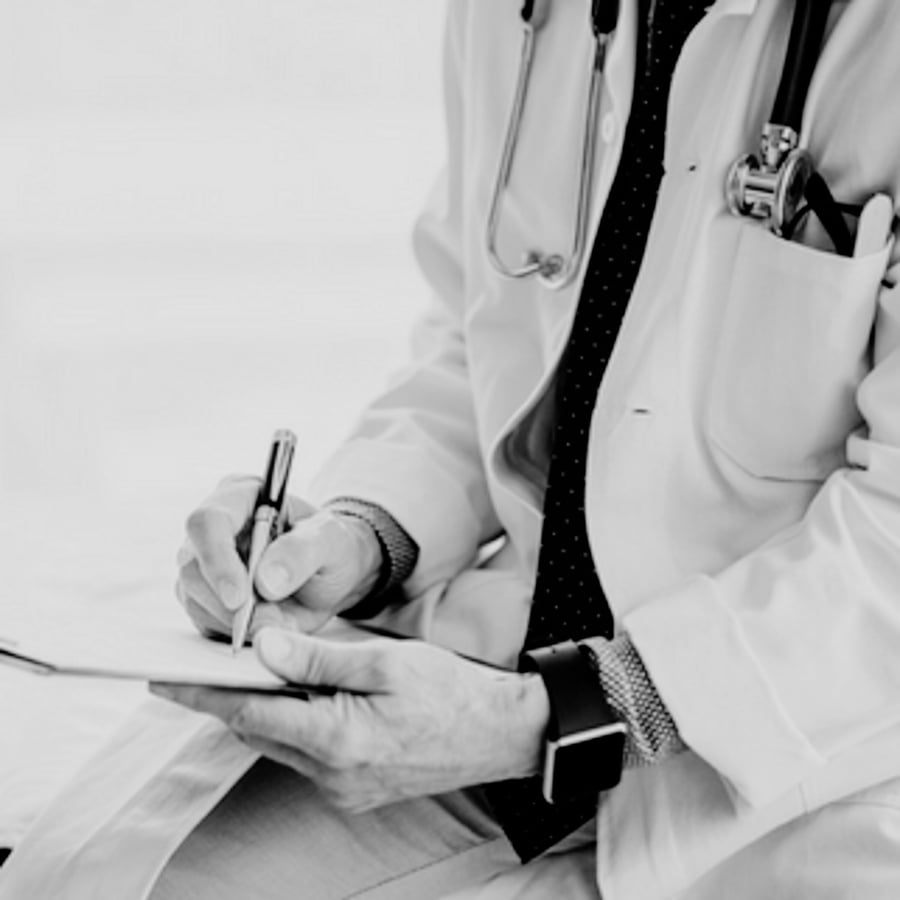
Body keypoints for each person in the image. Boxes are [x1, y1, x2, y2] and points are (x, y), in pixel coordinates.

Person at [6, 0, 900, 897]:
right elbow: (483, 332)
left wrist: (567, 714)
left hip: (783, 760)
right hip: (491, 666)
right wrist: (359, 537)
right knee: (91, 879)